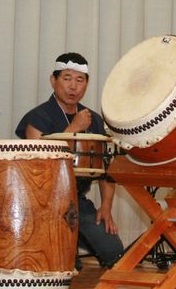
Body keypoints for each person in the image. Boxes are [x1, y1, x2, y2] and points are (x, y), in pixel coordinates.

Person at [15, 53, 124, 269]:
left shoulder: (93, 119)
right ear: (53, 80)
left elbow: (107, 168)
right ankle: (64, 246)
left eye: (79, 80)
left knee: (114, 251)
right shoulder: (38, 117)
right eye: (66, 78)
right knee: (62, 262)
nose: (73, 87)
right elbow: (40, 166)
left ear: (87, 84)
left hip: (77, 201)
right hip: (43, 203)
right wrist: (73, 130)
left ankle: (76, 239)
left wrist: (106, 207)